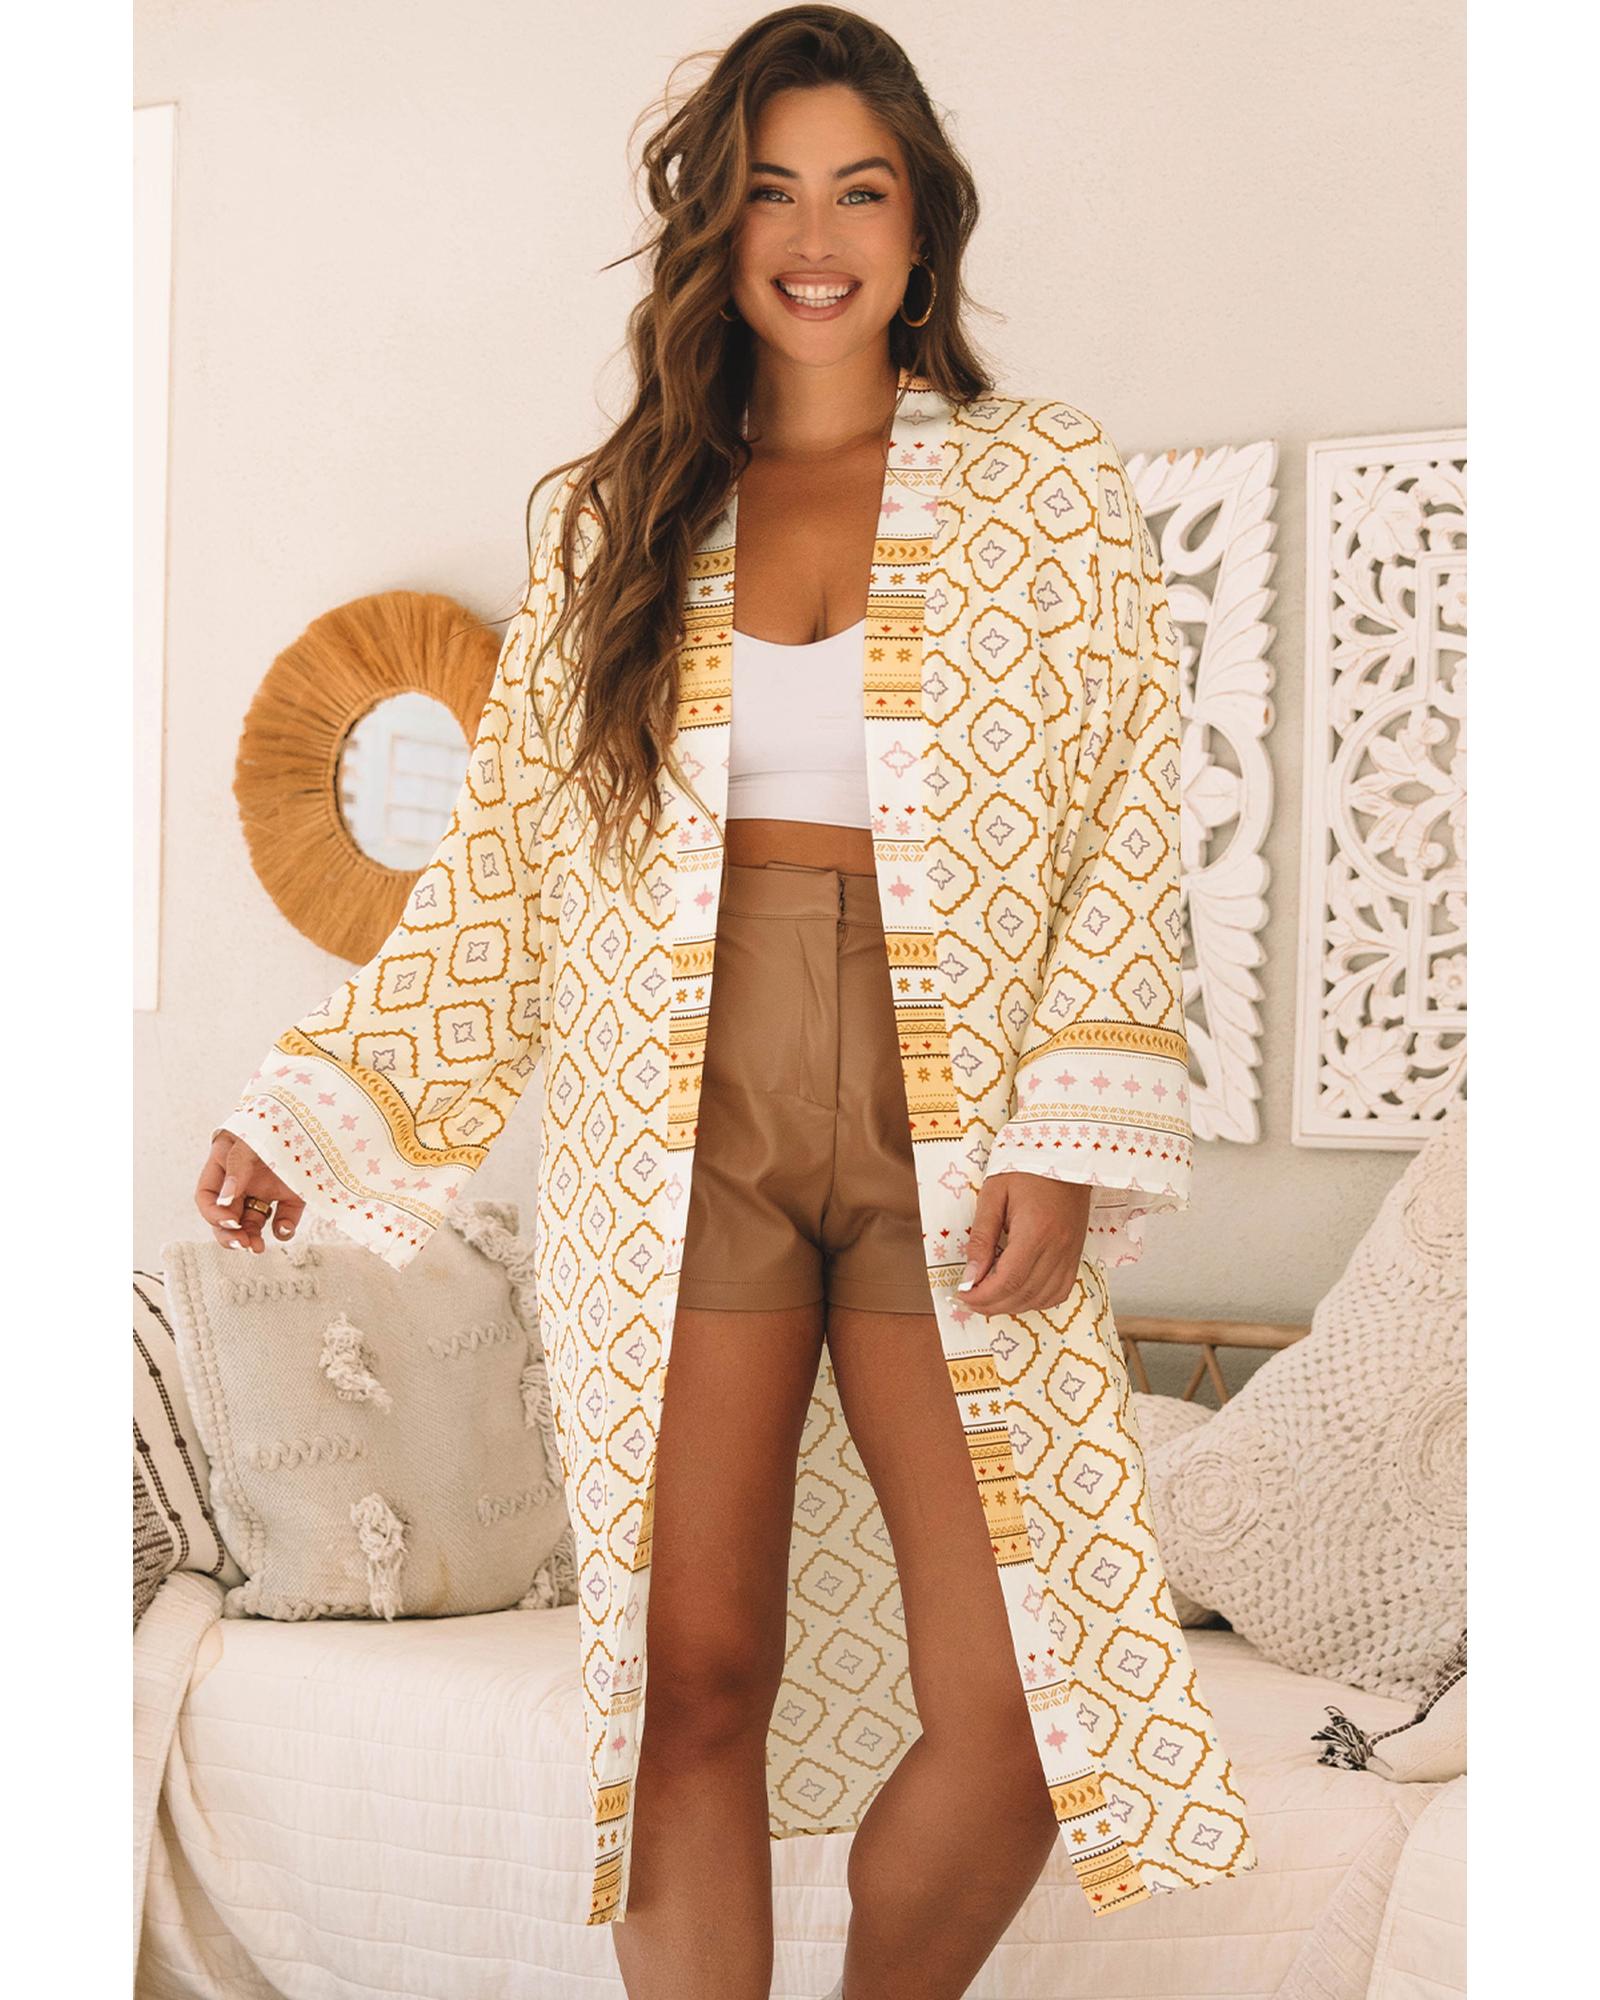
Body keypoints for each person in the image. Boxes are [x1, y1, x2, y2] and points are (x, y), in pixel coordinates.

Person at [195, 10, 1256, 1997]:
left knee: (1024, 1699)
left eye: (860, 188)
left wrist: (1061, 1128)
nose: (815, 235)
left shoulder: (1041, 485)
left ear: (922, 226)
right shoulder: (613, 518)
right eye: (771, 191)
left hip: (955, 1130)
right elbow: (505, 867)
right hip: (674, 1135)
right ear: (716, 227)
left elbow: (1129, 815)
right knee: (689, 1682)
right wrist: (312, 1104)